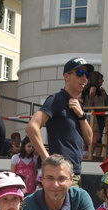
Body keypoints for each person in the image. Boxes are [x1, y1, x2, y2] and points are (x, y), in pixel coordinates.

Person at [25, 57, 94, 186]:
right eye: (79, 73)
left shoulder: (78, 106)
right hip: (61, 174)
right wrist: (47, 159)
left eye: (87, 74)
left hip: (74, 173)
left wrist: (81, 115)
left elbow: (89, 140)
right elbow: (31, 127)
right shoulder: (56, 99)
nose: (84, 78)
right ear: (66, 76)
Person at [82, 70, 108, 157]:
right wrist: (92, 103)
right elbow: (92, 93)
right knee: (96, 135)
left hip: (88, 113)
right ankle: (90, 153)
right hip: (94, 114)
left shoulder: (85, 87)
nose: (102, 81)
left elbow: (79, 98)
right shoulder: (94, 87)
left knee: (96, 135)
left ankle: (93, 154)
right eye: (101, 79)